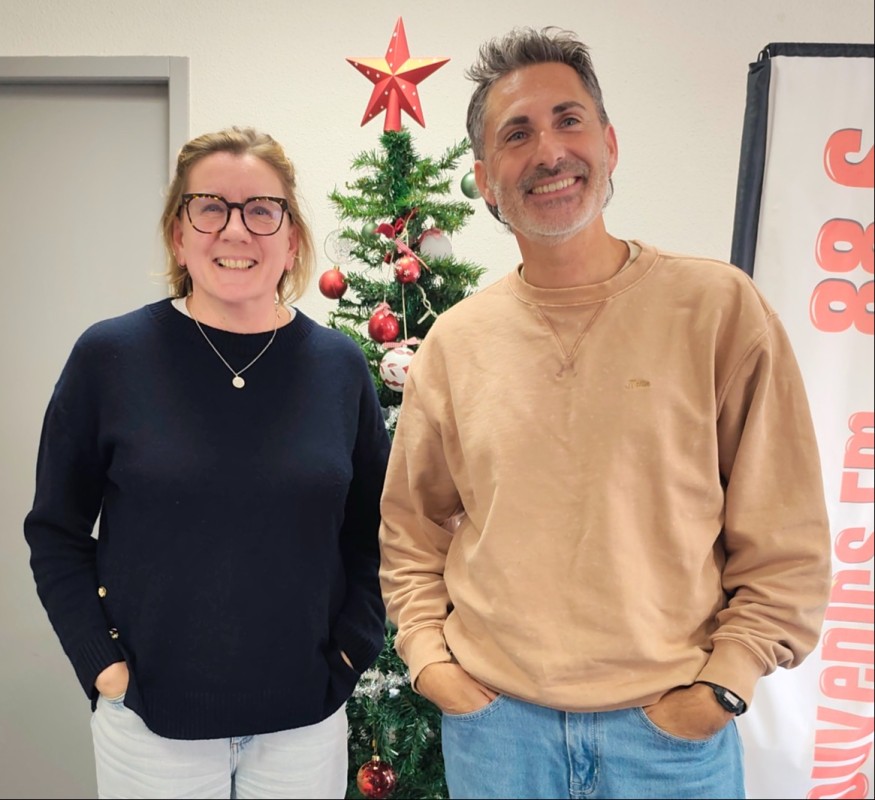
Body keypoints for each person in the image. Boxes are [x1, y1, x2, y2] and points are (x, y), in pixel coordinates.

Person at [377, 27, 832, 800]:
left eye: (568, 120)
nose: (549, 151)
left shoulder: (716, 309)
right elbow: (411, 529)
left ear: (609, 144)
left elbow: (784, 531)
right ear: (485, 180)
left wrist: (724, 683)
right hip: (497, 736)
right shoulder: (456, 341)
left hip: (670, 739)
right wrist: (429, 661)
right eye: (516, 134)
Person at [24, 126, 390, 799]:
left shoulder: (339, 368)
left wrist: (351, 650)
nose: (235, 229)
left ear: (292, 239)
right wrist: (103, 667)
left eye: (262, 210)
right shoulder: (109, 358)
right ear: (178, 234)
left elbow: (376, 533)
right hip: (152, 727)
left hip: (304, 727)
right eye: (210, 207)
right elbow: (56, 533)